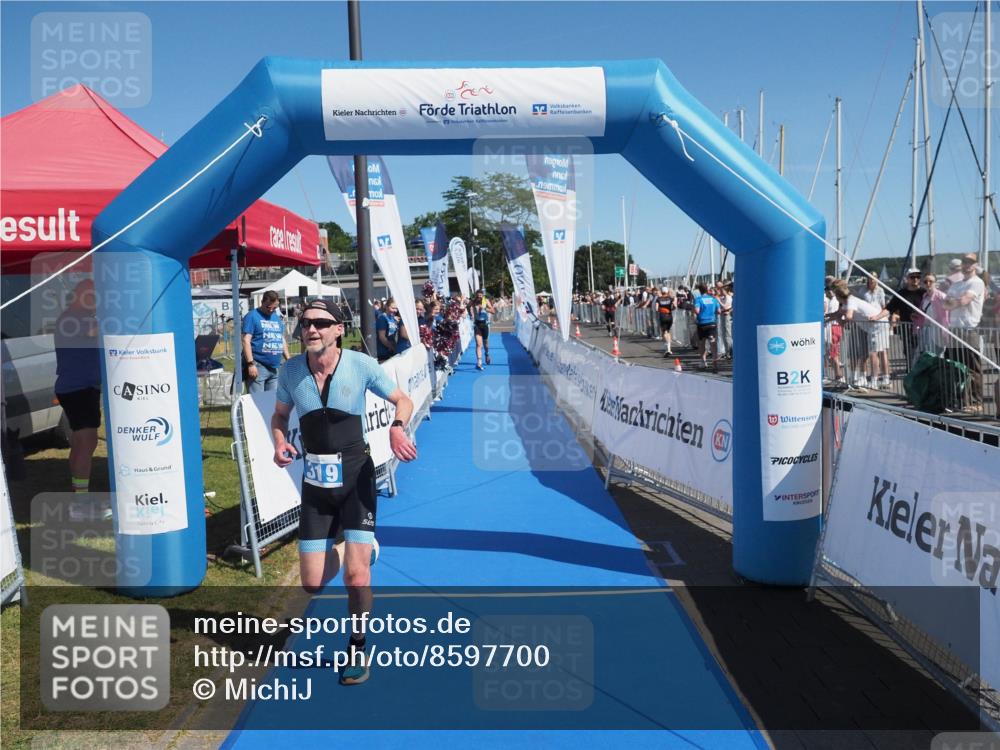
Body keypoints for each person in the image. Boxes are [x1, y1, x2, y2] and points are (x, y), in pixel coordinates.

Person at [271, 300, 417, 685]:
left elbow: (402, 399)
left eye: (321, 323)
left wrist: (398, 426)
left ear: (339, 329)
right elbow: (280, 416)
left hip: (356, 480)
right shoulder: (290, 371)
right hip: (317, 488)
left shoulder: (361, 365)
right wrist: (279, 441)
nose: (311, 329)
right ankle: (353, 550)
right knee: (312, 584)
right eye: (305, 323)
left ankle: (356, 645)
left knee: (356, 578)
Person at [54, 280, 109, 521]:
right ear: (78, 295)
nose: (96, 299)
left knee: (80, 444)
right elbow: (97, 331)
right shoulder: (73, 318)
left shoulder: (80, 317)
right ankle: (80, 504)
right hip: (78, 389)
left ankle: (79, 498)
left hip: (80, 388)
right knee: (86, 443)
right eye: (91, 294)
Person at [943, 253, 986, 410]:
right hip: (955, 329)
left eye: (970, 262)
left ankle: (977, 402)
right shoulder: (957, 284)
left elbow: (964, 301)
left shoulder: (977, 283)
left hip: (969, 329)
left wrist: (955, 301)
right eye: (965, 262)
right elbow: (945, 304)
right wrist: (956, 301)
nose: (967, 265)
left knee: (973, 367)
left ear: (975, 265)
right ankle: (961, 400)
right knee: (956, 366)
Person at [830, 279, 889, 390]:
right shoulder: (848, 301)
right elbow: (837, 313)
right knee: (874, 352)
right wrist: (826, 317)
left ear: (838, 295)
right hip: (874, 326)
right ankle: (877, 378)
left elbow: (848, 316)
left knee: (873, 353)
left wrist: (840, 320)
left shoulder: (851, 301)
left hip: (877, 326)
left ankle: (874, 381)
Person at [242, 291, 290, 393]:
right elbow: (246, 340)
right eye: (268, 307)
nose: (271, 310)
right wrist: (251, 364)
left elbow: (281, 339)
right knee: (257, 401)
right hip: (258, 365)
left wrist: (288, 359)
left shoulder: (276, 317)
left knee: (272, 401)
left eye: (274, 308)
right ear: (262, 302)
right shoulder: (252, 316)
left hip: (275, 367)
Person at [887, 267, 926, 366]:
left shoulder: (924, 293)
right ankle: (910, 373)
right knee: (909, 353)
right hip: (907, 329)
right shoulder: (901, 294)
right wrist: (876, 317)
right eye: (912, 277)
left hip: (923, 328)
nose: (915, 279)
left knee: (924, 352)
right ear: (907, 278)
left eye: (918, 277)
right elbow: (889, 308)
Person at [693, 283, 721, 369]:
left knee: (702, 343)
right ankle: (715, 362)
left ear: (699, 290)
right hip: (712, 323)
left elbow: (697, 311)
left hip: (702, 323)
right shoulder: (713, 299)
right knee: (713, 343)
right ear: (707, 289)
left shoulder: (698, 299)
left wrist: (694, 310)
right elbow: (719, 311)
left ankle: (703, 361)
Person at [470, 290, 495, 370]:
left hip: (485, 325)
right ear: (476, 295)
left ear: (483, 295)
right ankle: (479, 363)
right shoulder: (473, 302)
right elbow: (467, 306)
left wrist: (485, 309)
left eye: (481, 295)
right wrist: (471, 314)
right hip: (477, 324)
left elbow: (493, 311)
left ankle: (487, 354)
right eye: (478, 295)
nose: (479, 296)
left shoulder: (486, 301)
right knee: (478, 344)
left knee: (486, 344)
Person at [375, 298, 407, 362]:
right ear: (386, 306)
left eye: (396, 308)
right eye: (393, 308)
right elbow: (382, 337)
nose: (395, 310)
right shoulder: (382, 318)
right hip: (383, 352)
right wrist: (393, 348)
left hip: (391, 352)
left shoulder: (392, 317)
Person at [653, 287, 675, 357]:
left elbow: (656, 309)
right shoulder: (670, 298)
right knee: (668, 331)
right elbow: (674, 307)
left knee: (665, 332)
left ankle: (668, 348)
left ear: (662, 292)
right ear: (667, 292)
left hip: (662, 316)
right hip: (669, 316)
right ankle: (669, 348)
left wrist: (661, 309)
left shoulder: (658, 299)